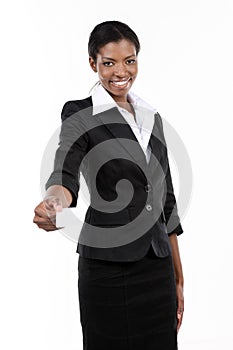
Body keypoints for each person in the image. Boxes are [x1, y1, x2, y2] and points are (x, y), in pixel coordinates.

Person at [33, 20, 184, 350]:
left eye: (130, 60)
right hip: (108, 268)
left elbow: (166, 202)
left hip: (157, 268)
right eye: (109, 62)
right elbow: (66, 167)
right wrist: (55, 200)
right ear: (93, 64)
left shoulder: (151, 117)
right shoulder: (80, 113)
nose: (121, 71)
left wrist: (178, 278)